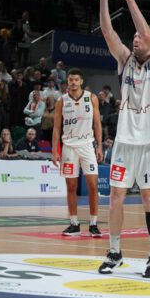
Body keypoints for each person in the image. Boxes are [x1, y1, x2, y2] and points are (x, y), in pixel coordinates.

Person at [89, 0, 150, 277]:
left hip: (149, 144)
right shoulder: (124, 61)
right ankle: (114, 252)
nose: (136, 37)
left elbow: (147, 34)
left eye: (142, 36)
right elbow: (109, 33)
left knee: (149, 198)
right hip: (124, 143)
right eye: (135, 36)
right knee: (116, 200)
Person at [52, 68, 103, 237]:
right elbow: (56, 127)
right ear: (68, 82)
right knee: (71, 186)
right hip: (68, 147)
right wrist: (54, 150)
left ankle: (94, 224)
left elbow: (97, 124)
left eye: (76, 80)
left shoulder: (91, 98)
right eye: (70, 80)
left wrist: (100, 146)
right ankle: (74, 223)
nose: (73, 82)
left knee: (93, 186)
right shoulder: (62, 101)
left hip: (87, 146)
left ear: (81, 81)